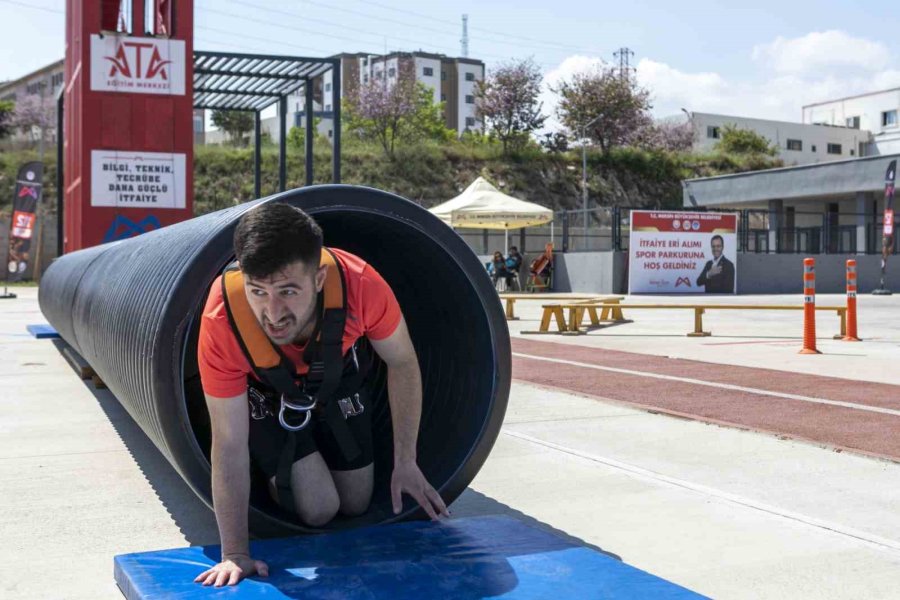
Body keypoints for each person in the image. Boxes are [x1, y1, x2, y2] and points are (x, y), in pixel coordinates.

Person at [194, 203, 448, 588]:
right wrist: (235, 553)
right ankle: (282, 469)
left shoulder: (363, 285)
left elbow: (402, 362)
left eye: (287, 291)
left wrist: (406, 460)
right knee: (319, 508)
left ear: (318, 279)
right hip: (264, 391)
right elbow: (228, 441)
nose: (272, 312)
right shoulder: (222, 319)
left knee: (357, 502)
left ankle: (314, 447)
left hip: (333, 374)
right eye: (257, 291)